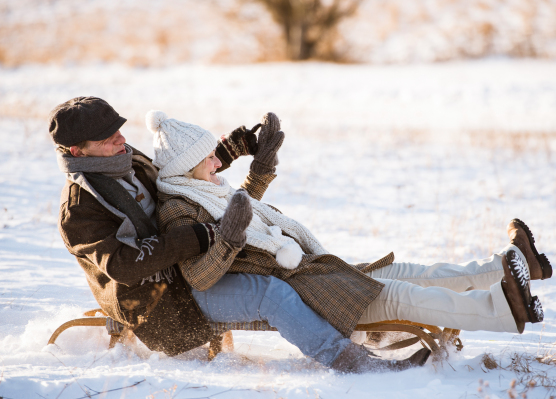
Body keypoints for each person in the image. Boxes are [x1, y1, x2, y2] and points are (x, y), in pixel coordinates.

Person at [50, 96, 428, 373]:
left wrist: (235, 147)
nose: (119, 138)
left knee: (291, 270)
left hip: (193, 269)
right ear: (76, 150)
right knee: (274, 292)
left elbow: (181, 177)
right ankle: (352, 362)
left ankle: (370, 333)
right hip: (160, 301)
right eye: (105, 137)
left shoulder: (129, 161)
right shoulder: (80, 209)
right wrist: (204, 235)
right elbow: (123, 265)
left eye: (117, 129)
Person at [151, 110, 551, 369]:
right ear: (186, 168)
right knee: (396, 295)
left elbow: (241, 210)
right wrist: (228, 239)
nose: (217, 161)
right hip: (294, 279)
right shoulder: (177, 210)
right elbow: (200, 275)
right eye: (207, 158)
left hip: (304, 266)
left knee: (404, 272)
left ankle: (506, 268)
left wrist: (263, 167)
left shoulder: (202, 189)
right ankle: (504, 307)